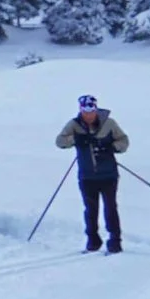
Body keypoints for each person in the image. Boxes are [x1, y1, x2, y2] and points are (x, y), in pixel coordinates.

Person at [57, 95, 129, 254]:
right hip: (87, 176)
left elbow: (124, 141)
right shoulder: (74, 125)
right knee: (90, 209)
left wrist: (111, 147)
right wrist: (76, 139)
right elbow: (60, 141)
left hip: (108, 174)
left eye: (91, 108)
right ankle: (93, 240)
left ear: (96, 108)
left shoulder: (109, 123)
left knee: (110, 208)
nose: (88, 113)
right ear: (80, 109)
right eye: (85, 109)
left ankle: (115, 241)